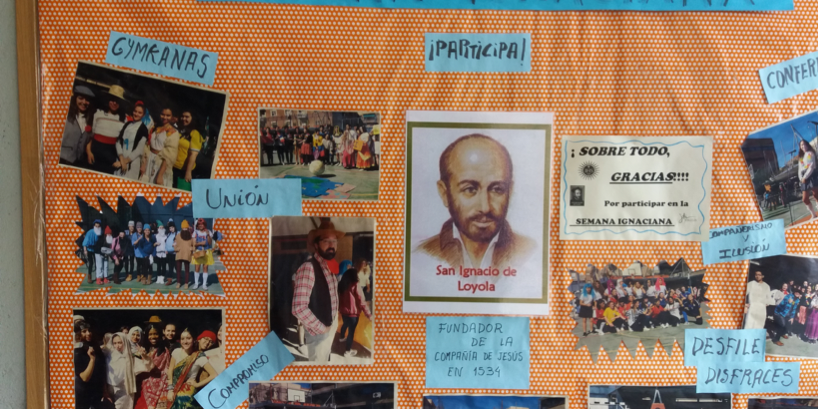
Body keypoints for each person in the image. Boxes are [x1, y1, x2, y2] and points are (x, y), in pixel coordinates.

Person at [414, 134, 536, 279]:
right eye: (470, 189)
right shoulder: (421, 256)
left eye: (497, 189)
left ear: (510, 191)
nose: (485, 207)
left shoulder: (532, 253)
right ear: (444, 193)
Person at [292, 219, 344, 362]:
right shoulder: (308, 267)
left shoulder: (329, 266)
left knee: (325, 362)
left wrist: (335, 319)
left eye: (334, 241)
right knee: (319, 369)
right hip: (318, 333)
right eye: (326, 241)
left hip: (330, 326)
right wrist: (322, 329)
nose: (332, 245)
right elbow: (298, 308)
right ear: (316, 245)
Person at [166, 329, 218, 409]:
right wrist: (170, 389)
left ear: (194, 339)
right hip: (173, 391)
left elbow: (214, 374)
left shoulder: (199, 357)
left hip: (187, 395)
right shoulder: (176, 352)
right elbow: (170, 371)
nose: (185, 341)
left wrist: (197, 384)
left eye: (188, 338)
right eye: (182, 339)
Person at [86, 85, 128, 175]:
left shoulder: (124, 119)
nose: (114, 103)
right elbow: (90, 137)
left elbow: (122, 143)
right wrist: (89, 152)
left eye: (117, 101)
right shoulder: (98, 113)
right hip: (94, 154)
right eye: (112, 100)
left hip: (111, 157)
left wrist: (122, 160)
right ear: (108, 100)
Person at [141, 107, 180, 188]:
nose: (165, 117)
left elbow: (169, 156)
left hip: (160, 164)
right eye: (163, 114)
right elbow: (147, 145)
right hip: (149, 160)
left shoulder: (173, 132)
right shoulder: (154, 128)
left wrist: (160, 175)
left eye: (168, 115)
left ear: (172, 117)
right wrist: (144, 164)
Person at [337, 267, 372, 357]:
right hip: (353, 314)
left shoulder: (342, 284)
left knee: (345, 324)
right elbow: (361, 301)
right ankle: (347, 351)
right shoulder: (355, 285)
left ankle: (341, 337)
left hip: (344, 312)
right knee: (351, 332)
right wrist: (369, 314)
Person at [136, 322, 170, 409]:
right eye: (150, 334)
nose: (153, 337)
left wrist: (146, 357)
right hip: (144, 386)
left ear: (160, 335)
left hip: (160, 386)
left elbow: (155, 368)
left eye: (155, 334)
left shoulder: (163, 351)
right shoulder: (144, 349)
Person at [113, 101, 150, 181]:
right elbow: (119, 141)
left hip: (132, 163)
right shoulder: (127, 124)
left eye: (139, 113)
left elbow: (139, 150)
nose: (136, 114)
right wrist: (121, 159)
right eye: (135, 111)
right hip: (120, 159)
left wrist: (124, 162)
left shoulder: (144, 129)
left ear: (143, 115)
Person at [60, 85, 95, 166]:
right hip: (62, 158)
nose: (84, 102)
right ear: (75, 98)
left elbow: (89, 138)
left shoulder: (90, 119)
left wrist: (89, 151)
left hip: (77, 162)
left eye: (87, 100)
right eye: (80, 98)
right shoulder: (65, 114)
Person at [74, 320, 106, 409]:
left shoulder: (96, 349)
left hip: (97, 394)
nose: (88, 333)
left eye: (89, 330)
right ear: (78, 334)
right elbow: (85, 378)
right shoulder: (77, 352)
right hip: (83, 395)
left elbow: (102, 371)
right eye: (84, 331)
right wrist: (92, 359)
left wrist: (105, 391)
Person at [101, 332, 137, 409]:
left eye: (120, 343)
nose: (117, 346)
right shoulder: (109, 355)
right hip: (110, 389)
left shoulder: (131, 356)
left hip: (124, 390)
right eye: (115, 343)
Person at [191, 219, 214, 291]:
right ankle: (196, 283)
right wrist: (201, 243)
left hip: (206, 252)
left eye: (202, 224)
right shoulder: (195, 232)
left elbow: (209, 243)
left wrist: (208, 235)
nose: (201, 225)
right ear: (197, 225)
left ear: (204, 225)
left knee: (205, 268)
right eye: (199, 224)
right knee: (197, 267)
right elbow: (194, 244)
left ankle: (204, 284)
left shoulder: (209, 232)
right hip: (198, 251)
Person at [798, 139, 818, 218]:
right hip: (804, 178)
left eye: (804, 144)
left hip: (811, 175)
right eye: (801, 145)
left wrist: (805, 177)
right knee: (805, 199)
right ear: (800, 147)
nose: (803, 146)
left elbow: (811, 166)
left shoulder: (810, 153)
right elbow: (800, 169)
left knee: (816, 195)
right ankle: (813, 214)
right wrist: (801, 178)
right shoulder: (801, 157)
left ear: (807, 145)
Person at [174, 219, 195, 289]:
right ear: (182, 228)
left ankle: (186, 283)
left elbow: (193, 245)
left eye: (186, 228)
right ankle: (178, 282)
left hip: (186, 254)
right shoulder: (178, 235)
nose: (185, 229)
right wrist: (176, 249)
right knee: (178, 270)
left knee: (187, 270)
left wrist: (192, 249)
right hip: (179, 254)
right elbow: (175, 244)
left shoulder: (190, 236)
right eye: (184, 228)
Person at [82, 220, 102, 285]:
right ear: (94, 226)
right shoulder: (90, 232)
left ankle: (98, 277)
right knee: (91, 263)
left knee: (98, 263)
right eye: (96, 225)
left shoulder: (100, 232)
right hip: (89, 249)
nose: (97, 227)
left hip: (96, 249)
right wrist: (85, 250)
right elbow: (85, 241)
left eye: (98, 226)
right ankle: (89, 277)